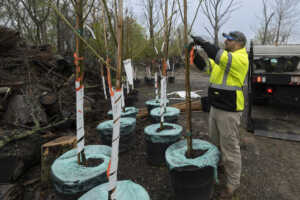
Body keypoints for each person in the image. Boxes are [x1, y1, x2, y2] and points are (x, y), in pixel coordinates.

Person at [189, 31, 249, 200]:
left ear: (238, 42)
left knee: (230, 147)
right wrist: (195, 56)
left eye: (229, 39)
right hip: (216, 107)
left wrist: (203, 42)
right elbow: (208, 67)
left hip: (229, 110)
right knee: (215, 142)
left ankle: (232, 185)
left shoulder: (240, 58)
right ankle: (220, 165)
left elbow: (218, 55)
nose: (225, 41)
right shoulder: (226, 59)